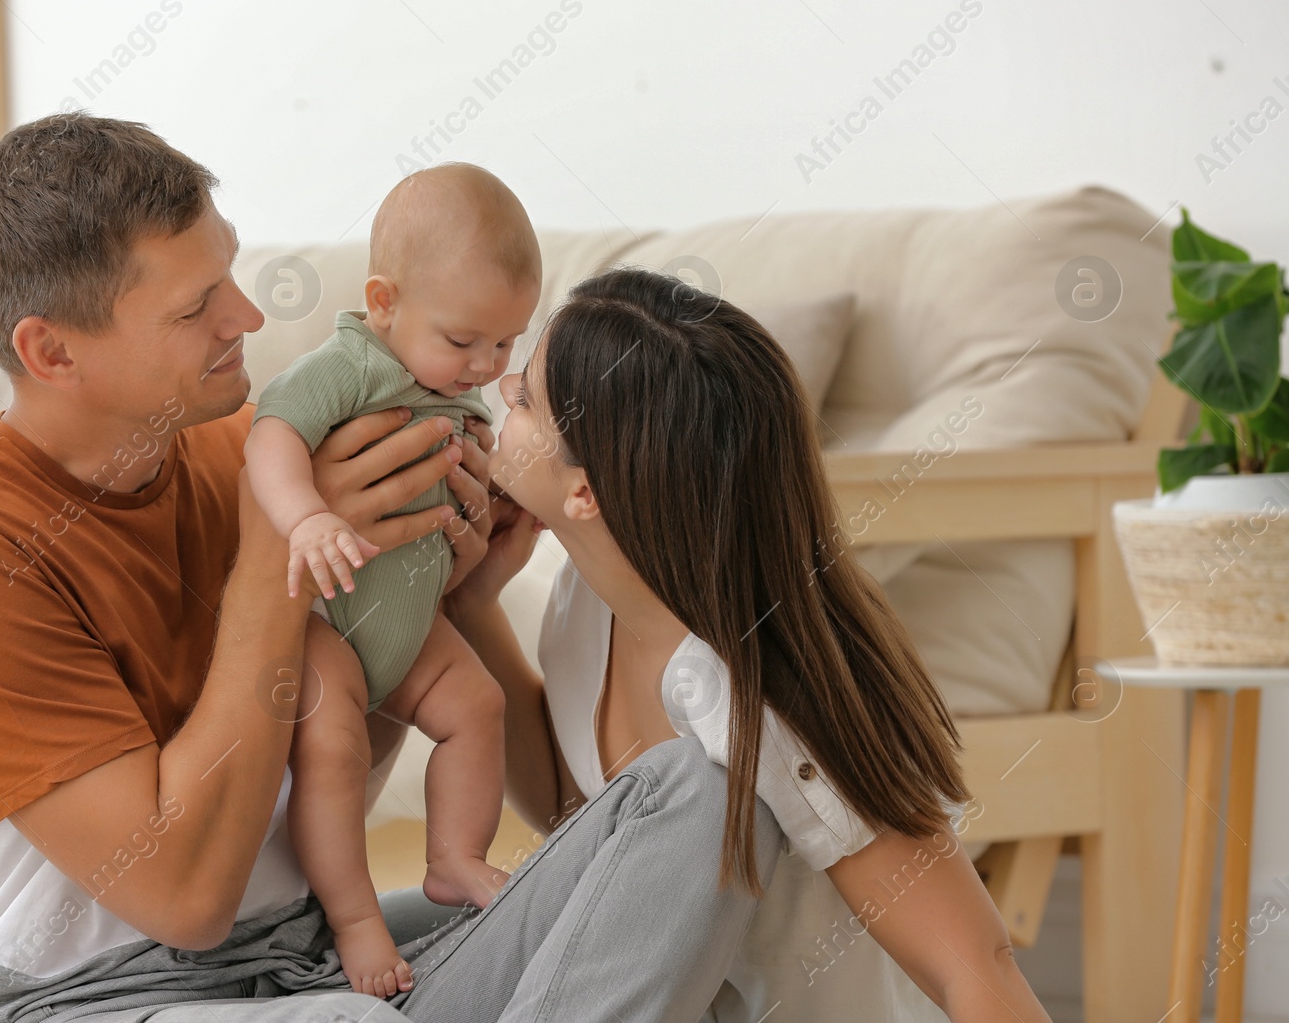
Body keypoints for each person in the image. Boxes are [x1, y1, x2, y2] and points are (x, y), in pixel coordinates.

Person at [0, 113, 785, 1023]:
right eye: (195, 307)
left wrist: (451, 593)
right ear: (51, 352)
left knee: (698, 801)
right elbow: (188, 898)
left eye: (228, 272)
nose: (248, 317)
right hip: (91, 998)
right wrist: (278, 555)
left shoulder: (246, 448)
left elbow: (332, 750)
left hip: (305, 961)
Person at [435, 266, 1054, 1021]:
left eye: (527, 398)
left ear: (586, 490)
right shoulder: (587, 597)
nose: (502, 393)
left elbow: (977, 964)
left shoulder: (763, 703)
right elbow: (585, 823)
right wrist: (472, 605)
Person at [244, 163, 539, 997]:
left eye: (506, 343)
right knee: (332, 751)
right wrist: (305, 517)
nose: (483, 363)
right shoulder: (355, 365)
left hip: (414, 619)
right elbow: (273, 433)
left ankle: (451, 856)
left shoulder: (463, 394)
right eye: (462, 340)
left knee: (478, 706)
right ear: (384, 302)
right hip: (330, 620)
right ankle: (356, 919)